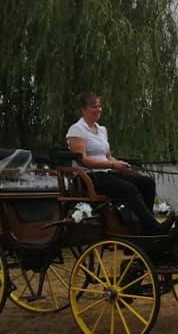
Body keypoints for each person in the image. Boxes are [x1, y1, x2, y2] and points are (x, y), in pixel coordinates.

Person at [66, 92, 165, 236]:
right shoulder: (76, 129)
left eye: (100, 106)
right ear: (83, 109)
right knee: (129, 189)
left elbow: (107, 156)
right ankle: (154, 226)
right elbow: (83, 160)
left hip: (106, 174)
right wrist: (112, 165)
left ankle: (146, 229)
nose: (99, 109)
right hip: (88, 177)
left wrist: (118, 163)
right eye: (94, 106)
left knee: (147, 183)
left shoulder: (101, 130)